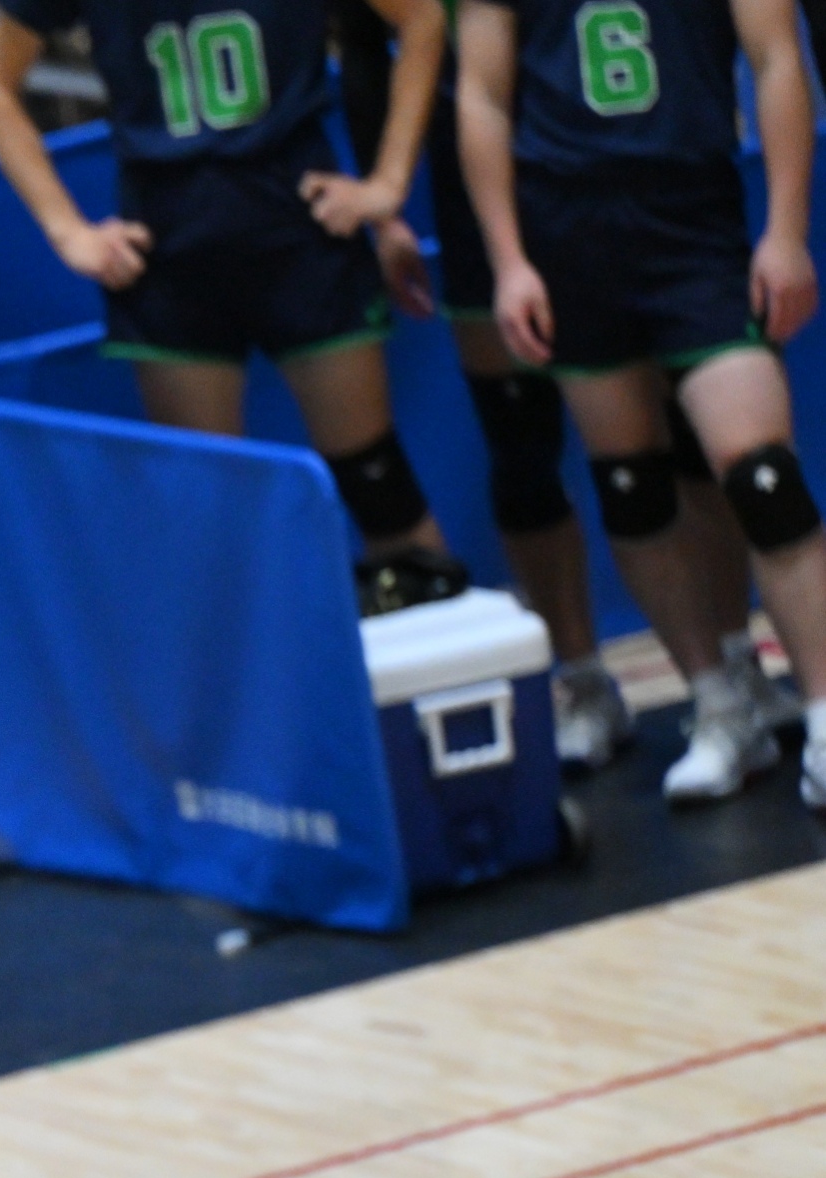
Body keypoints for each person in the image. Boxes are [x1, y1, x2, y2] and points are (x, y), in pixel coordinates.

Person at [342, 0, 800, 777]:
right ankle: (584, 680)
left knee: (706, 444)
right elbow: (378, 42)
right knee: (530, 447)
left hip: (643, 168)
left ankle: (735, 666)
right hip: (499, 182)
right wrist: (387, 192)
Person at [0, 0, 465, 602]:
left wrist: (389, 184)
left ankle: (438, 652)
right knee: (210, 514)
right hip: (171, 255)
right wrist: (66, 230)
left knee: (377, 483)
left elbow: (423, 17)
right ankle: (263, 663)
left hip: (300, 238)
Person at [458, 0, 826, 806]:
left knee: (761, 474)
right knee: (630, 486)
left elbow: (776, 60)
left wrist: (785, 231)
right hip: (565, 229)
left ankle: (822, 713)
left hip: (691, 217)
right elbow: (481, 95)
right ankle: (717, 705)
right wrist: (508, 262)